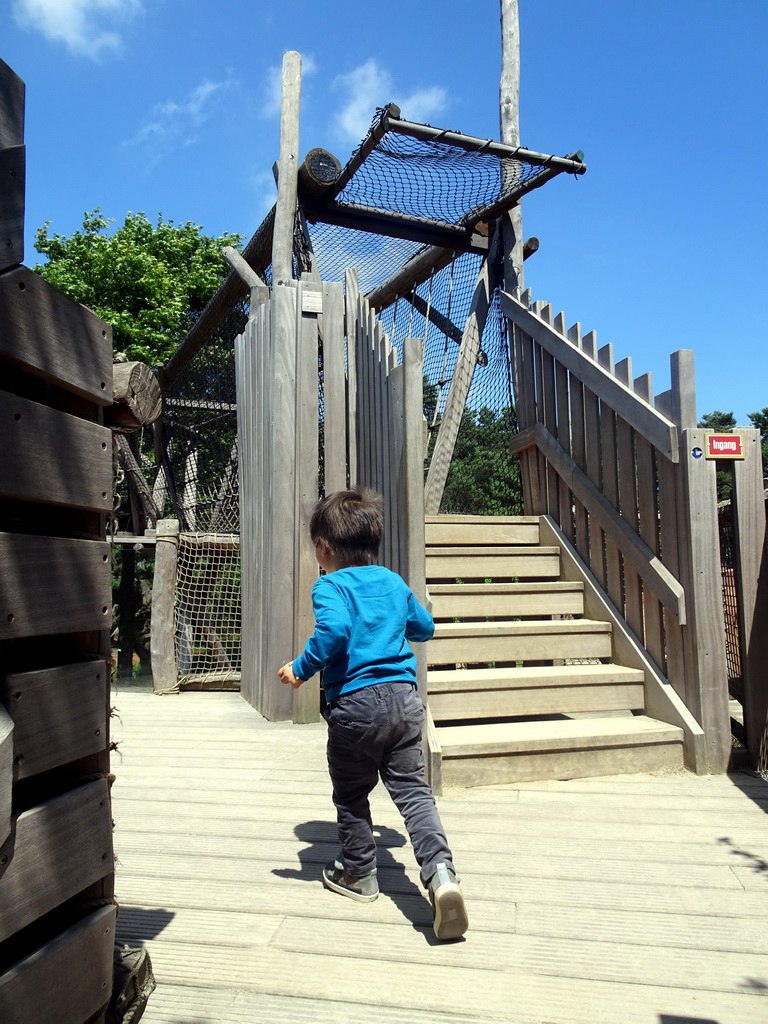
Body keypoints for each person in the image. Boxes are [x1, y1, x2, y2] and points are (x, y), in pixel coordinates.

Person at [278, 487, 468, 941]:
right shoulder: (392, 581)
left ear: (323, 548)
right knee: (415, 794)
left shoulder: (329, 585)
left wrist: (301, 668)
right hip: (405, 703)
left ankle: (360, 874)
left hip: (355, 707)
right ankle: (441, 874)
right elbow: (425, 627)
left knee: (351, 794)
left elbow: (336, 630)